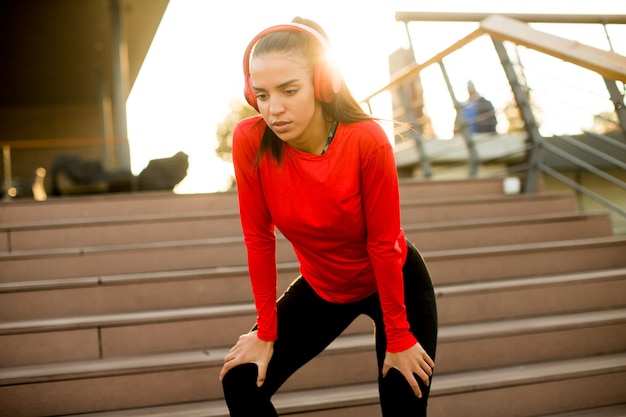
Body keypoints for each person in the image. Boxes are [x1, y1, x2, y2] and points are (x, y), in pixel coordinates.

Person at [219, 17, 438, 417]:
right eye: (263, 95)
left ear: (322, 84)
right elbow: (258, 237)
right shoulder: (249, 139)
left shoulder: (367, 141)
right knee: (240, 380)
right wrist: (266, 332)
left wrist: (399, 334)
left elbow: (382, 244)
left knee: (403, 399)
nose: (274, 109)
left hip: (394, 279)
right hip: (323, 286)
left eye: (289, 90)